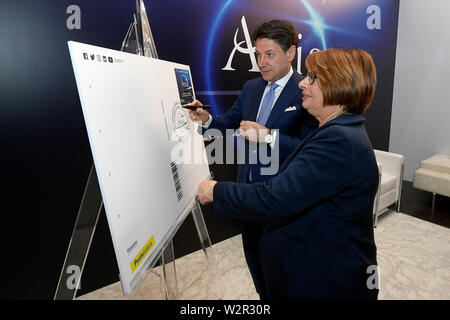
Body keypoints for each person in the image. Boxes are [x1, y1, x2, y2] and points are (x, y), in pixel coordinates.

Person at [197, 48, 380, 300]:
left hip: (325, 282)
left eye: (313, 77)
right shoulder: (338, 132)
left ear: (339, 85)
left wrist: (216, 191)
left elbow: (275, 197)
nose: (304, 82)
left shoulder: (338, 140)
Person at [188, 20, 317, 299]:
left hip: (283, 204)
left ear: (291, 53)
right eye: (257, 55)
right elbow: (229, 122)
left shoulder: (307, 91)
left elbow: (309, 148)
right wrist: (206, 118)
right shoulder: (251, 88)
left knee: (283, 276)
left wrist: (269, 136)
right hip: (248, 196)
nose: (262, 62)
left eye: (269, 54)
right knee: (256, 267)